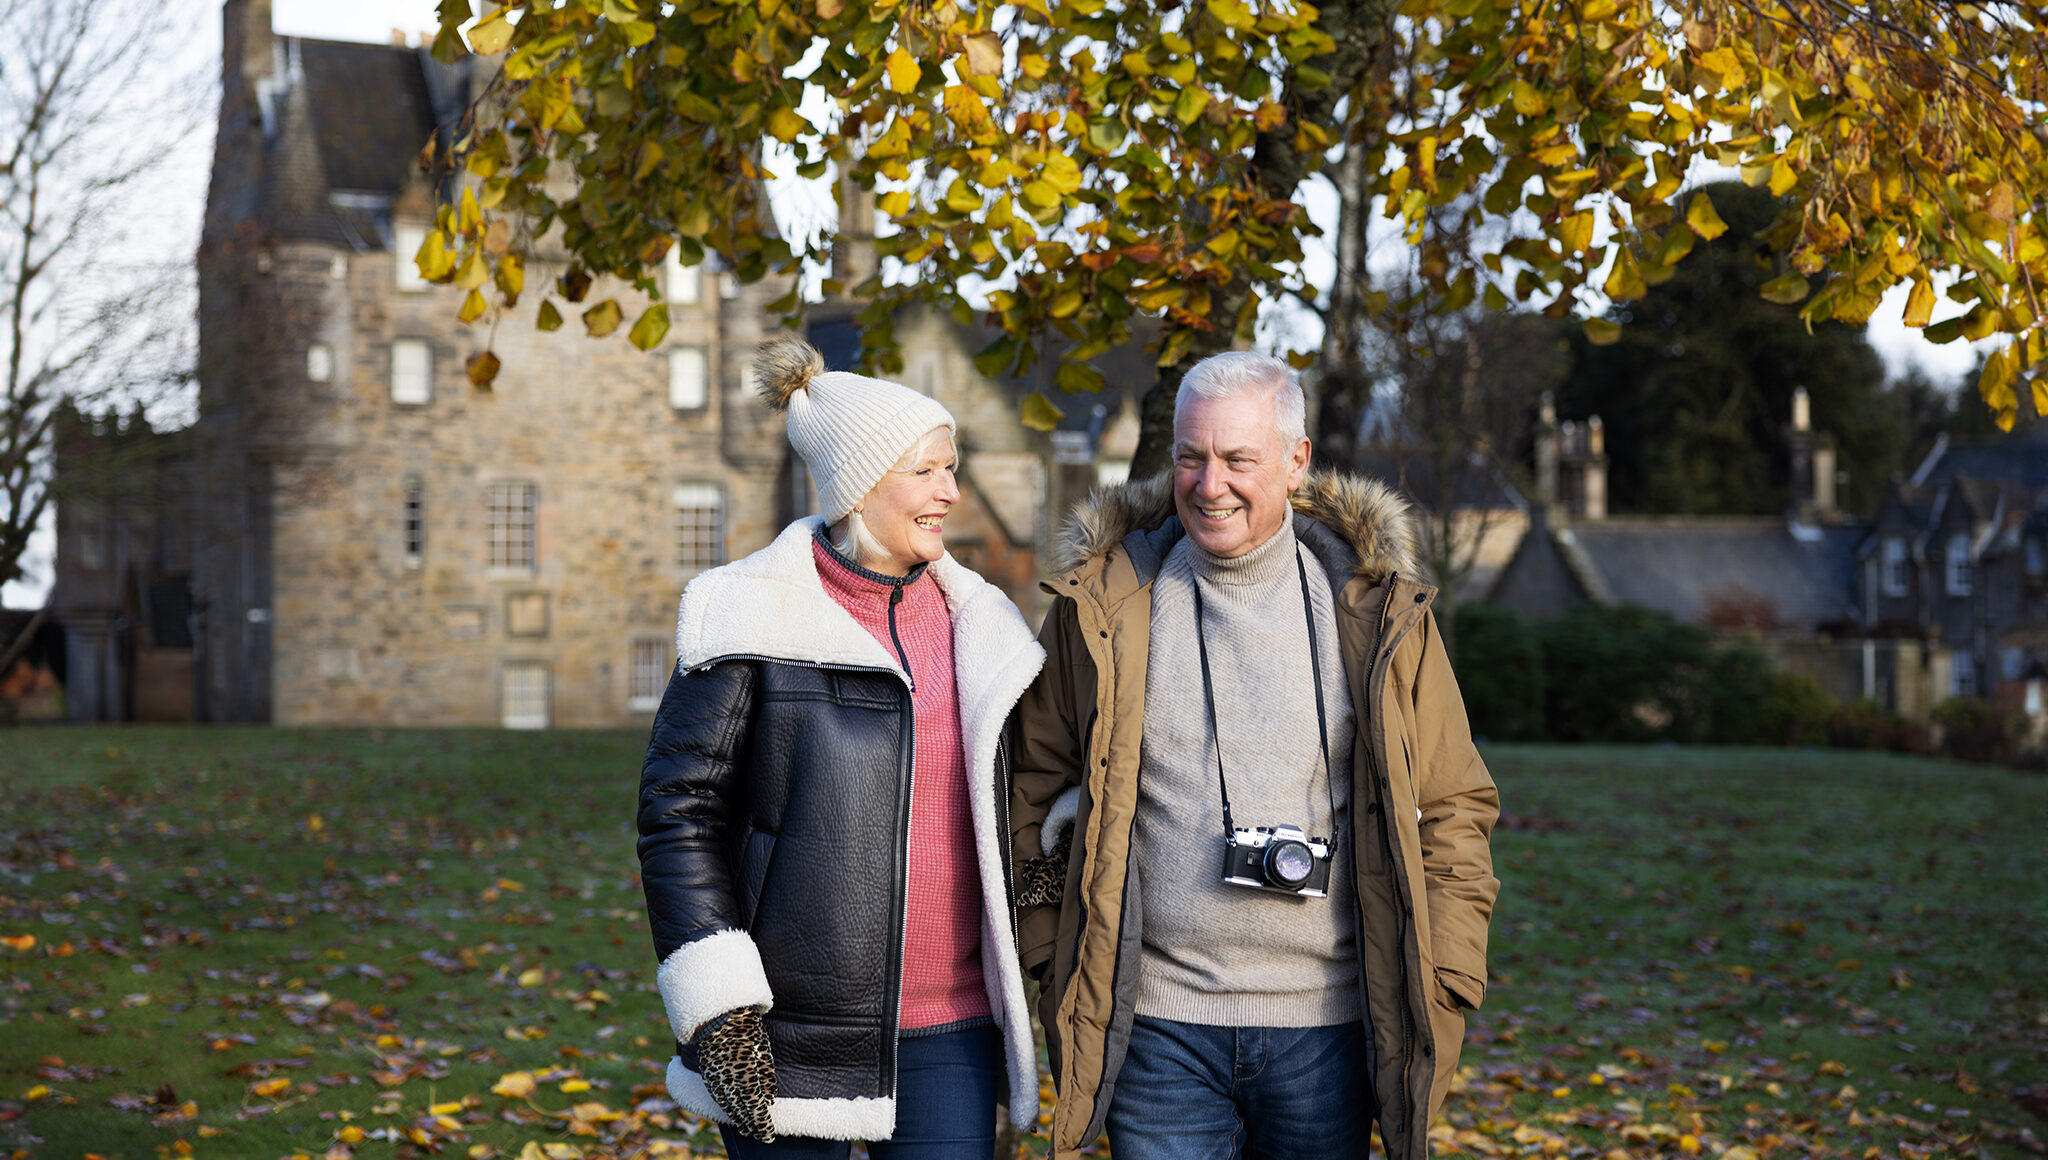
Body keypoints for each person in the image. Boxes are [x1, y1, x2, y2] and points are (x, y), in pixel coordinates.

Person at [1009, 351, 1500, 1160]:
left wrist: (1443, 970)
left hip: (1332, 1029)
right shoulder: (1103, 606)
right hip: (1156, 1027)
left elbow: (1454, 804)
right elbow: (1032, 784)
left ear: (1296, 460)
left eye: (1240, 459)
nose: (1211, 485)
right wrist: (1047, 950)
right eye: (1191, 457)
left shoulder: (1377, 612)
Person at [637, 336, 1046, 1158]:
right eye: (927, 471)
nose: (951, 492)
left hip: (952, 1030)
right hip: (785, 1039)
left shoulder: (985, 625)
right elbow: (676, 815)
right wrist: (721, 1009)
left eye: (951, 468)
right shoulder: (746, 613)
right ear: (861, 486)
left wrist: (1044, 859)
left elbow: (1020, 790)